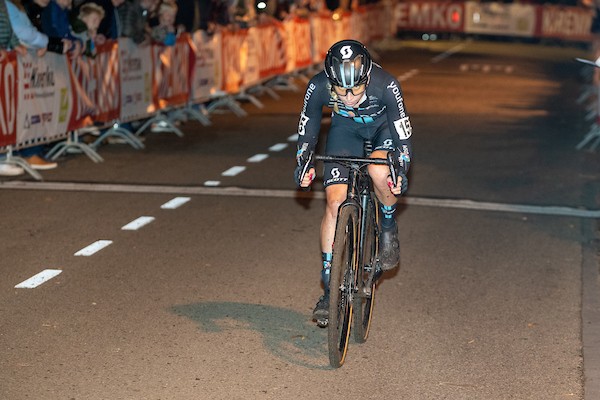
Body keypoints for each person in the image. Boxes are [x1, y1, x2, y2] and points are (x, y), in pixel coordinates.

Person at [294, 39, 413, 322]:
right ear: (330, 81)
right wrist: (303, 164)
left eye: (356, 89)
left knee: (378, 172)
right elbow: (308, 131)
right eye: (340, 90)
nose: (348, 97)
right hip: (345, 131)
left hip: (383, 130)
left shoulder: (387, 85)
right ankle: (329, 286)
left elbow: (403, 138)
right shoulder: (317, 85)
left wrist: (401, 171)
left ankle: (386, 224)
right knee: (335, 203)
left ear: (367, 77)